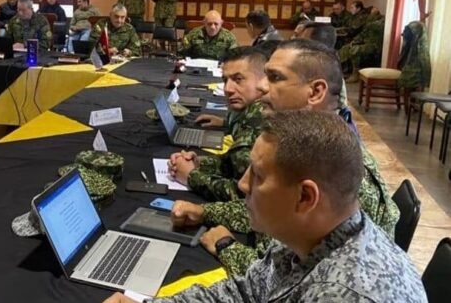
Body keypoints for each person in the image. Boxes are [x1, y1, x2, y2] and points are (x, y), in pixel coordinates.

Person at [104, 111, 425, 303]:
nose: (242, 185)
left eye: (257, 175)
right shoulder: (311, 237)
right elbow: (245, 292)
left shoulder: (341, 292)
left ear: (305, 198)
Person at [164, 40, 399, 277]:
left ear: (316, 92)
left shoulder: (338, 168)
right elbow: (270, 204)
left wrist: (226, 246)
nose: (263, 87)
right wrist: (205, 212)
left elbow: (288, 280)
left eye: (275, 78)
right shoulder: (308, 144)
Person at [168, 47, 266, 201]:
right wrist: (199, 163)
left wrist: (191, 176)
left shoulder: (260, 119)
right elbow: (233, 166)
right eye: (225, 80)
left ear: (263, 81)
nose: (228, 89)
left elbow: (246, 195)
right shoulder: (251, 111)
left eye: (238, 79)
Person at [339, 13, 385, 82]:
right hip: (366, 44)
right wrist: (354, 41)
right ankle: (341, 70)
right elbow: (362, 34)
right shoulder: (369, 23)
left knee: (355, 49)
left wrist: (369, 23)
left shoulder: (382, 23)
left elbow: (376, 26)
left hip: (376, 46)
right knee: (346, 47)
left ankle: (355, 74)